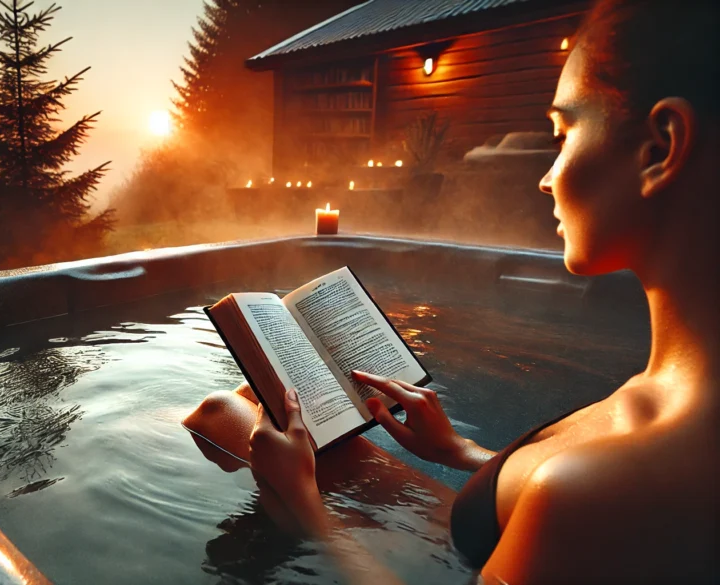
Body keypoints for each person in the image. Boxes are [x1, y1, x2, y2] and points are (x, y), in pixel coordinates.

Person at [183, 0, 719, 582]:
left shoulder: (592, 490)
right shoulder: (674, 409)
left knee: (220, 412)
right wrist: (459, 452)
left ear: (661, 147)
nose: (546, 175)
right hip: (472, 533)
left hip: (438, 556)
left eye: (562, 134)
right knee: (248, 404)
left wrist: (305, 510)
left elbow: (580, 507)